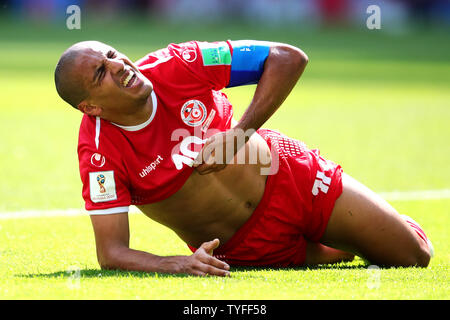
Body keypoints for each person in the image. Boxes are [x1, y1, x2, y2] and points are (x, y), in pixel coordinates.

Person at [54, 39, 433, 276]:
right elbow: (112, 252)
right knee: (345, 257)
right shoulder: (98, 154)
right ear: (91, 107)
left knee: (414, 257)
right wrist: (173, 264)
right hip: (247, 248)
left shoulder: (179, 62)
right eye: (101, 72)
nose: (119, 65)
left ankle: (381, 226)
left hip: (295, 178)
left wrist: (239, 135)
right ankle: (336, 246)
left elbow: (288, 57)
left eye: (111, 54)